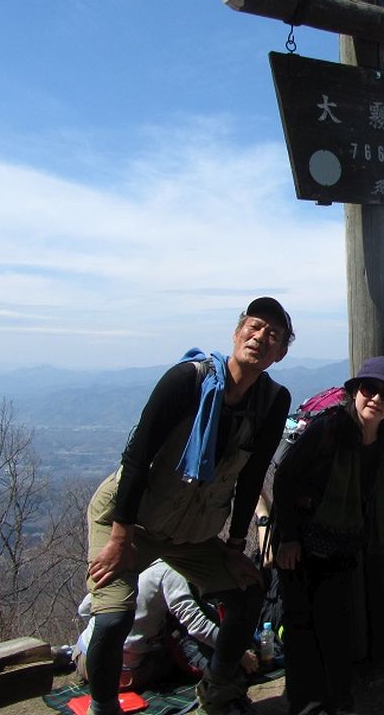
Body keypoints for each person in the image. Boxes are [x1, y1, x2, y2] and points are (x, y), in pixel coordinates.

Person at [83, 297, 294, 715]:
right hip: (130, 517)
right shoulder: (188, 381)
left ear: (281, 353)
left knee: (248, 594)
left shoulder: (272, 402)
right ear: (236, 333)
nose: (260, 337)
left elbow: (251, 479)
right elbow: (136, 456)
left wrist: (234, 549)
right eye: (253, 327)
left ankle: (217, 691)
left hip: (191, 532)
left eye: (273, 335)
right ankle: (102, 706)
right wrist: (120, 537)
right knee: (112, 617)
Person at [271, 356, 384, 715]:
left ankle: (339, 701)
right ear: (355, 392)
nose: (376, 398)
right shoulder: (330, 427)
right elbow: (285, 478)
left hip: (342, 545)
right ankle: (308, 706)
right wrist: (287, 537)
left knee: (334, 626)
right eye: (369, 389)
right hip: (299, 542)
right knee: (301, 628)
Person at [74, 560, 260, 689]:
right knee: (173, 658)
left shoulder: (130, 560)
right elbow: (197, 625)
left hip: (82, 655)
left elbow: (84, 609)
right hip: (115, 674)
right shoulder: (169, 572)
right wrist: (238, 653)